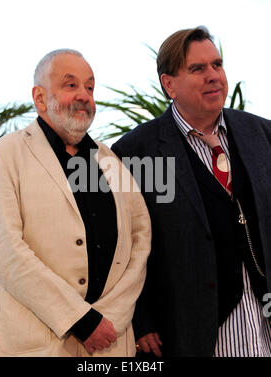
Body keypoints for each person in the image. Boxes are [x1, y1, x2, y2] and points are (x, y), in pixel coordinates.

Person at [111, 27, 271, 357]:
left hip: (263, 321)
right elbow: (121, 246)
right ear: (168, 84)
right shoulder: (136, 152)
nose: (213, 76)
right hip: (189, 331)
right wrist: (140, 319)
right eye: (197, 69)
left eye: (217, 64)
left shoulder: (262, 135)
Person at [0, 49, 151, 357]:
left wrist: (110, 316)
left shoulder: (110, 160)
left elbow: (140, 241)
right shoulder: (6, 154)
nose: (84, 95)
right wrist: (81, 321)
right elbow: (7, 249)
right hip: (41, 345)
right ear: (41, 97)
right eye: (70, 85)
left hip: (112, 342)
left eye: (90, 86)